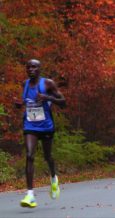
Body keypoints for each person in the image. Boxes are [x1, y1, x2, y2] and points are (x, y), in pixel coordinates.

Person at [14, 59, 66, 208]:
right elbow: (27, 101)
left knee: (47, 156)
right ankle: (30, 195)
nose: (31, 69)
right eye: (28, 67)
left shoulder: (47, 84)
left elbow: (63, 102)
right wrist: (19, 105)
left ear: (39, 69)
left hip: (46, 126)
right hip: (30, 124)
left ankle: (53, 177)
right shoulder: (25, 84)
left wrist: (48, 98)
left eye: (34, 67)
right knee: (29, 155)